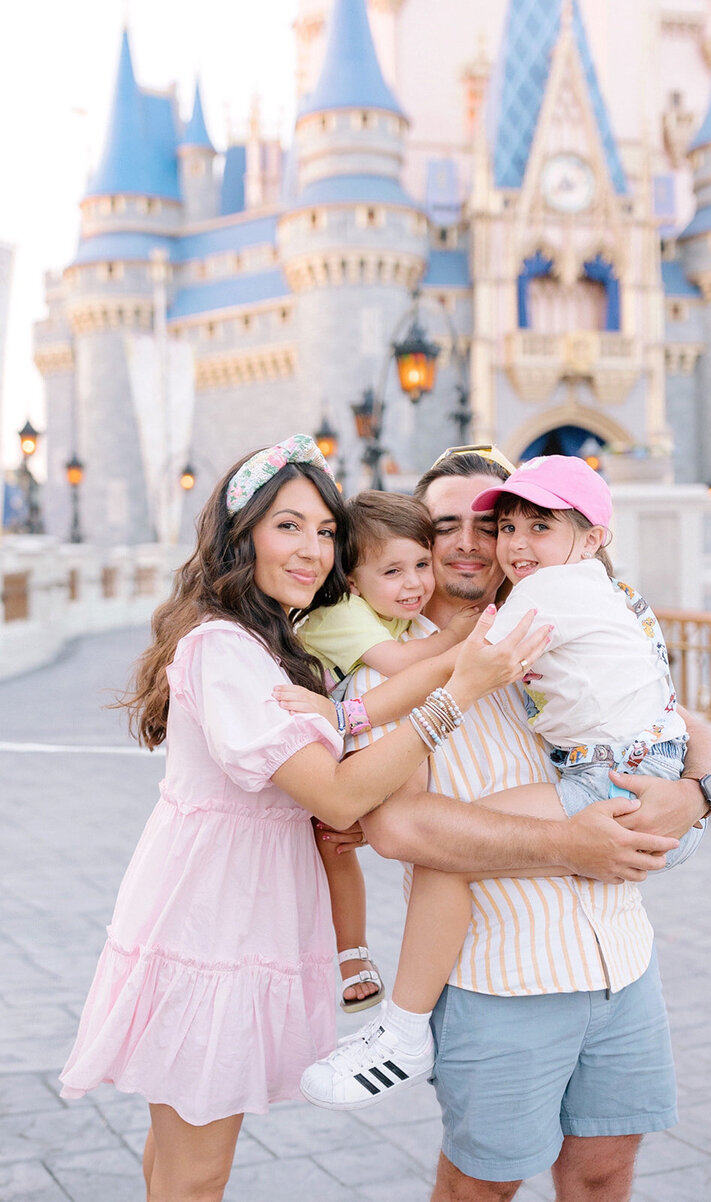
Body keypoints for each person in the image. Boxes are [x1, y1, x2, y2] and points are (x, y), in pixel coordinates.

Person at [57, 434, 551, 1202]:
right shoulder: (223, 647)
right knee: (196, 1174)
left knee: (174, 1157)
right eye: (287, 526)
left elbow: (342, 767)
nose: (312, 550)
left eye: (325, 532)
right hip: (211, 924)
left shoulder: (277, 643)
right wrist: (458, 692)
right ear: (240, 533)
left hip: (237, 912)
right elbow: (337, 794)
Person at [300, 447, 711, 1202]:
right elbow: (401, 829)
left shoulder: (567, 629)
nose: (473, 541)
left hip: (622, 965)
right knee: (481, 1188)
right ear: (415, 538)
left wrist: (698, 793)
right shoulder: (383, 675)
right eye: (445, 525)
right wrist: (572, 843)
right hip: (502, 981)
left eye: (491, 523)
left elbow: (687, 729)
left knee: (604, 1174)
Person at [297, 490, 478, 1012]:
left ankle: (360, 954)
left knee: (338, 846)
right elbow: (401, 664)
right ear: (352, 580)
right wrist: (460, 638)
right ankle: (352, 954)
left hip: (345, 744)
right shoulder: (341, 612)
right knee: (334, 848)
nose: (415, 583)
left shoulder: (391, 610)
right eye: (393, 571)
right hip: (316, 752)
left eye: (422, 564)